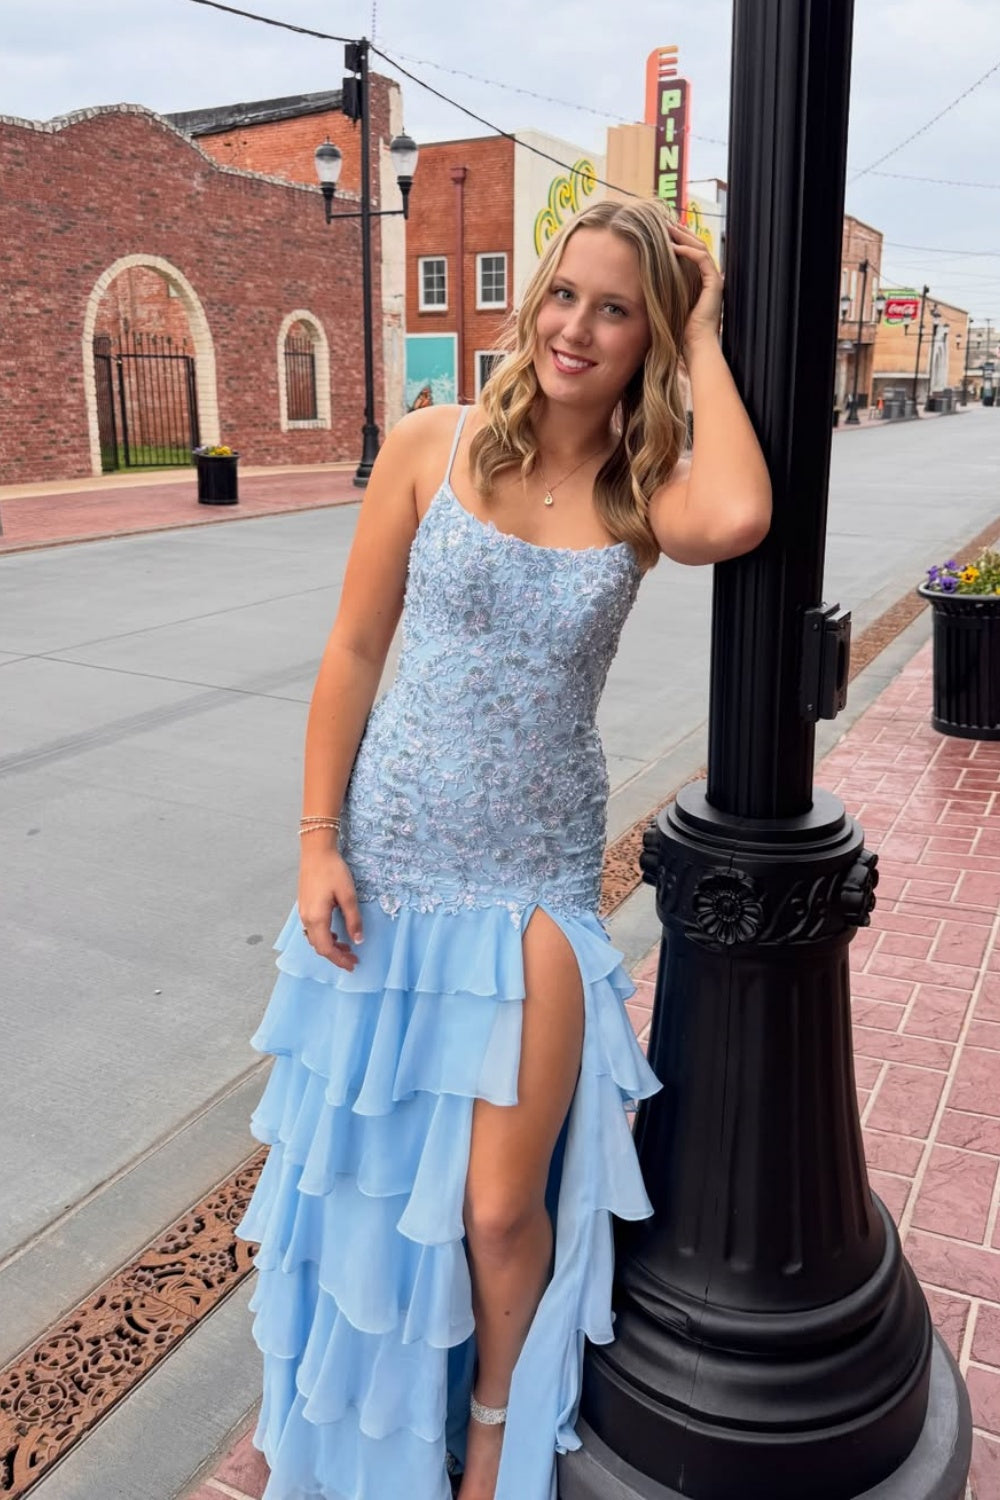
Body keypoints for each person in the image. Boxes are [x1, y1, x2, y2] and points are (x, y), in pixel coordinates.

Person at [237, 197, 772, 1500]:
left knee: (491, 1205)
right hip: (386, 863)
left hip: (531, 885)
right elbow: (355, 650)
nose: (577, 327)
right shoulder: (431, 443)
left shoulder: (643, 490)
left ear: (648, 333)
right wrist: (316, 843)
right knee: (363, 1178)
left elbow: (743, 516)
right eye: (564, 295)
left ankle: (491, 1431)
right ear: (533, 300)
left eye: (616, 306)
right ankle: (349, 1422)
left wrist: (701, 326)